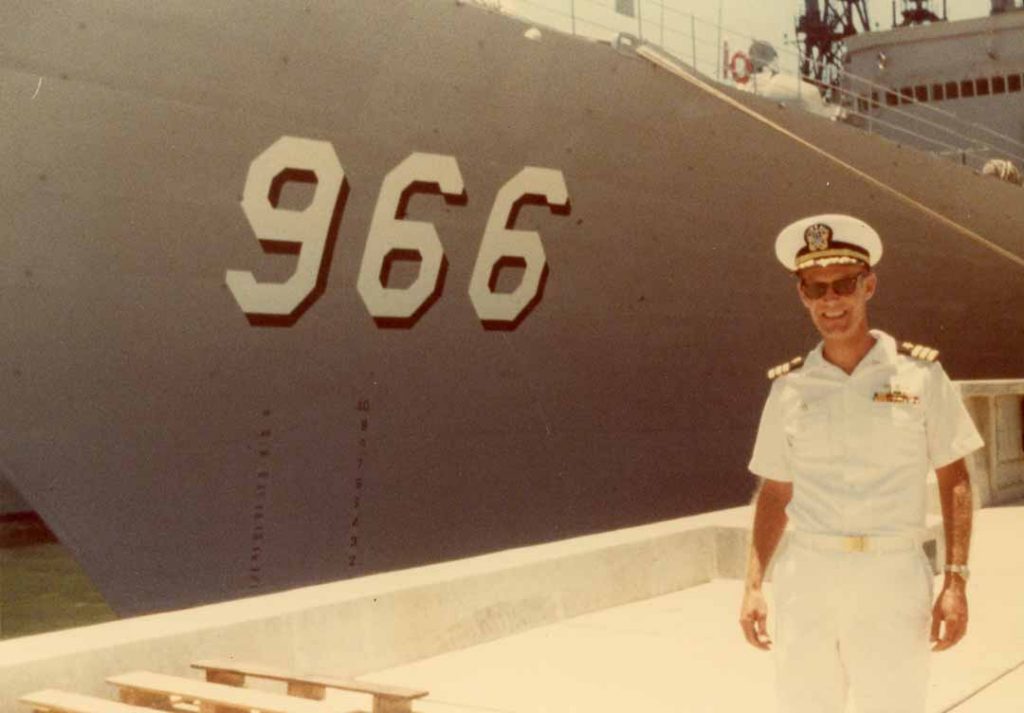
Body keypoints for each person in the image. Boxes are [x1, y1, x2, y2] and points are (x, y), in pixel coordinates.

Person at [739, 214, 983, 713]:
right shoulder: (789, 387)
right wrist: (753, 586)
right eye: (817, 288)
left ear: (868, 286)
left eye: (844, 285)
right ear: (803, 295)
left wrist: (955, 581)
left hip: (891, 576)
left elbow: (955, 479)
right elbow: (776, 491)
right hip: (808, 577)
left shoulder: (920, 375)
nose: (831, 301)